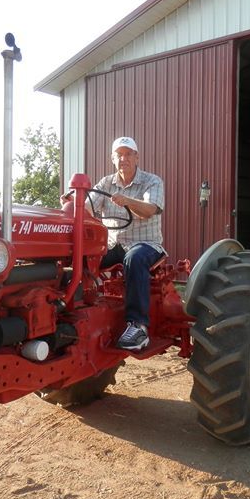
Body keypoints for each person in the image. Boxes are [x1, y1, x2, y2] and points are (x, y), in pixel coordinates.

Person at [89, 136, 165, 351]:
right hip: (114, 245)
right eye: (119, 155)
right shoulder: (105, 183)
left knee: (134, 258)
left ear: (137, 157)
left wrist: (128, 201)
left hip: (146, 244)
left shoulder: (152, 181)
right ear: (113, 159)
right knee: (85, 259)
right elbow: (87, 207)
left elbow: (150, 209)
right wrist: (72, 203)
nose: (124, 159)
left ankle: (138, 326)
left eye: (128, 154)